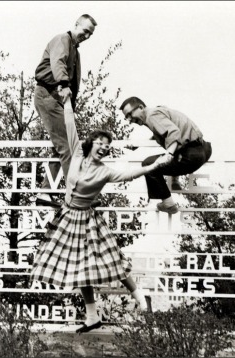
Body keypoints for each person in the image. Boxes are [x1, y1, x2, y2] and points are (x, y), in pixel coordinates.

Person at [31, 99, 158, 333]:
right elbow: (69, 123)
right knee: (81, 269)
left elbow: (129, 174)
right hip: (68, 218)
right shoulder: (77, 153)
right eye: (101, 143)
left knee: (112, 261)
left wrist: (152, 167)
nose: (104, 148)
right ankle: (92, 316)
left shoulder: (105, 171)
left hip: (87, 220)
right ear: (92, 143)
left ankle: (142, 298)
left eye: (107, 146)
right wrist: (67, 101)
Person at [33, 14, 97, 208]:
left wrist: (70, 107)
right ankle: (78, 194)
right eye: (85, 30)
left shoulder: (76, 52)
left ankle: (45, 191)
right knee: (70, 148)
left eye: (90, 34)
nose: (87, 35)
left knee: (59, 147)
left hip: (60, 101)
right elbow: (58, 62)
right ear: (76, 24)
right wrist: (62, 83)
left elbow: (73, 82)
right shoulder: (62, 39)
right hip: (48, 95)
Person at [120, 97, 212, 214]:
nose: (129, 120)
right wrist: (138, 145)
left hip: (191, 155)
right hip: (204, 149)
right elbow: (162, 131)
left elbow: (173, 132)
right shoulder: (157, 112)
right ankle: (174, 179)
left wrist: (168, 154)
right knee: (168, 156)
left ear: (141, 107)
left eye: (129, 114)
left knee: (149, 164)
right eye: (126, 117)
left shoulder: (152, 116)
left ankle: (168, 204)